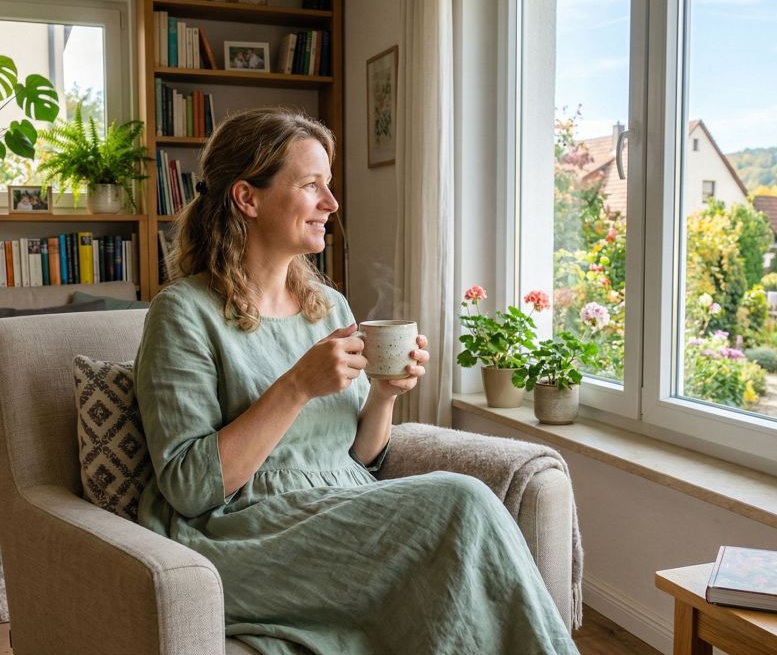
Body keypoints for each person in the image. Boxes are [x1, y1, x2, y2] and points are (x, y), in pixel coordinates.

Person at [134, 106, 578, 654]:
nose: (332, 204)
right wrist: (296, 386)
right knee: (461, 500)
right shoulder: (183, 312)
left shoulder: (329, 307)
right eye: (311, 185)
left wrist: (386, 394)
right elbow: (188, 486)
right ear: (247, 198)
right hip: (243, 533)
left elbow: (359, 457)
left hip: (340, 507)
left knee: (460, 537)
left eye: (330, 185)